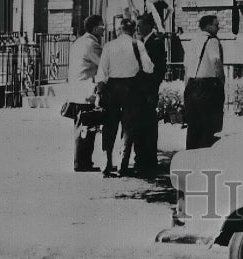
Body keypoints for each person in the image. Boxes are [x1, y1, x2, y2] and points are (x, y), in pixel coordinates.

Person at [95, 18, 154, 177]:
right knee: (129, 128)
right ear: (134, 30)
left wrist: (99, 92)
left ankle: (106, 163)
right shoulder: (138, 44)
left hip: (112, 88)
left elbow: (102, 72)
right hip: (132, 89)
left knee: (109, 126)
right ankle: (123, 163)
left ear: (119, 30)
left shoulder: (109, 46)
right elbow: (149, 68)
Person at [66, 14, 104, 172]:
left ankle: (81, 161)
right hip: (86, 91)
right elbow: (103, 63)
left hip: (76, 90)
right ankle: (82, 163)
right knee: (86, 128)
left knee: (81, 127)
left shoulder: (79, 42)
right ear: (95, 28)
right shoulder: (91, 45)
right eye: (102, 27)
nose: (104, 30)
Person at [133, 12, 169, 174]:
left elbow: (160, 69)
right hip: (140, 91)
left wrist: (150, 88)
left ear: (148, 26)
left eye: (140, 25)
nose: (137, 28)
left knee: (148, 125)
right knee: (140, 125)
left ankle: (148, 159)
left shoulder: (156, 42)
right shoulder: (141, 42)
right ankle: (141, 158)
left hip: (148, 90)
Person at [183, 13, 224, 149]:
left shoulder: (192, 41)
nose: (218, 27)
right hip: (208, 87)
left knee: (193, 127)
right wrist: (221, 81)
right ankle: (204, 158)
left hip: (192, 86)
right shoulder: (212, 41)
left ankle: (190, 158)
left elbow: (186, 66)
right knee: (208, 127)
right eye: (216, 25)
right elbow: (216, 61)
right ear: (208, 26)